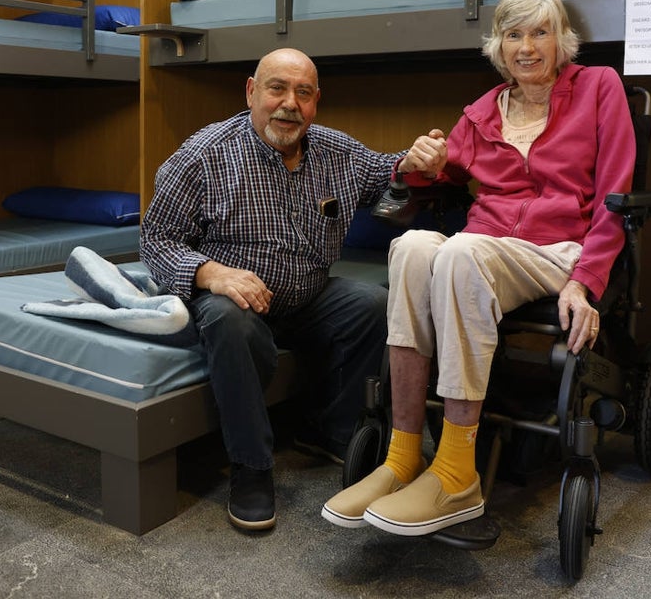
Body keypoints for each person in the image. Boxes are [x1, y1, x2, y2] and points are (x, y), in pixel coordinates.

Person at [321, 0, 636, 537]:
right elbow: (436, 176)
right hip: (487, 247)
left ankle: (457, 473)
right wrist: (421, 161)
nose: (527, 46)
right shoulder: (482, 111)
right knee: (413, 247)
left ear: (562, 39)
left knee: (462, 251)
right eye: (514, 34)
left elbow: (616, 193)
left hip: (557, 250)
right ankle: (402, 455)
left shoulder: (598, 88)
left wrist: (585, 282)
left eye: (540, 31)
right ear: (499, 46)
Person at [139, 47, 443, 532]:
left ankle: (330, 431)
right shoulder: (203, 154)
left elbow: (392, 169)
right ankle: (251, 466)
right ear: (251, 92)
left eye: (303, 93)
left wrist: (420, 159)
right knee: (226, 319)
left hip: (307, 297)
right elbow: (154, 238)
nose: (289, 104)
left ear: (316, 101)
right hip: (237, 300)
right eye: (277, 88)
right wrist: (210, 273)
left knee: (373, 304)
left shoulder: (336, 151)